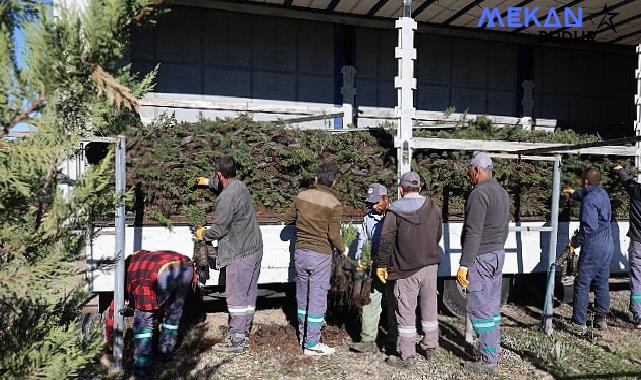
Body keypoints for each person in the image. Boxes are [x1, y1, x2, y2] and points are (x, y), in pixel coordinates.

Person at [375, 171, 443, 368]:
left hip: (405, 269)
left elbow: (386, 240)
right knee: (430, 305)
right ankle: (431, 347)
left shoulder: (394, 210)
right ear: (419, 187)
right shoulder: (433, 207)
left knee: (406, 311)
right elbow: (438, 234)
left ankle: (407, 356)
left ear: (401, 189)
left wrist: (381, 264)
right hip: (430, 267)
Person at [195, 157, 263, 353]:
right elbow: (226, 186)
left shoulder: (225, 198)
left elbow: (219, 229)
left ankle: (237, 341)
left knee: (236, 298)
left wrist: (204, 234)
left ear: (219, 173)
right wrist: (208, 183)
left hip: (239, 252)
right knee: (248, 295)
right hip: (254, 248)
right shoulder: (240, 186)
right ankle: (244, 332)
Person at [282, 163, 346, 356]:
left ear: (316, 179)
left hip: (300, 252)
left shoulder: (302, 196)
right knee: (317, 299)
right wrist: (343, 250)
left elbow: (287, 218)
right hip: (320, 255)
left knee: (302, 297)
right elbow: (333, 235)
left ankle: (303, 336)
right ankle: (312, 343)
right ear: (334, 182)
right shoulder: (335, 204)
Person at [456, 151, 510, 375]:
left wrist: (464, 263)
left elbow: (473, 231)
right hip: (497, 254)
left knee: (480, 309)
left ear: (476, 170)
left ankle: (488, 360)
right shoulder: (501, 192)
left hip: (481, 257)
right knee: (491, 307)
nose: (468, 173)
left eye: (469, 169)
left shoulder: (479, 194)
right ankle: (492, 351)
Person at [105, 250, 196, 379]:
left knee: (143, 319)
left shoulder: (127, 274)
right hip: (186, 267)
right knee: (174, 311)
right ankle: (165, 352)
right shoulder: (142, 257)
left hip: (162, 272)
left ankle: (141, 369)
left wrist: (108, 336)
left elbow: (114, 308)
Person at [563, 168, 613, 333]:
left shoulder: (589, 199)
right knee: (602, 281)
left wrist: (574, 243)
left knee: (582, 283)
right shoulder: (602, 193)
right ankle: (601, 319)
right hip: (607, 245)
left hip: (594, 246)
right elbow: (586, 195)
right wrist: (574, 193)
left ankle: (579, 323)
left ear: (585, 181)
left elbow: (588, 228)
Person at [349, 183, 397, 354]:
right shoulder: (368, 218)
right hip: (374, 267)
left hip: (393, 268)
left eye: (376, 202)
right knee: (369, 302)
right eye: (370, 203)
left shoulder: (396, 215)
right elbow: (363, 241)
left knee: (394, 304)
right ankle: (368, 340)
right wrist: (361, 261)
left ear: (385, 198)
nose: (373, 206)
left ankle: (393, 340)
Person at [613, 165, 641, 328]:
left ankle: (639, 315)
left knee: (637, 280)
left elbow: (626, 180)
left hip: (637, 243)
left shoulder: (636, 191)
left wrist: (619, 169)